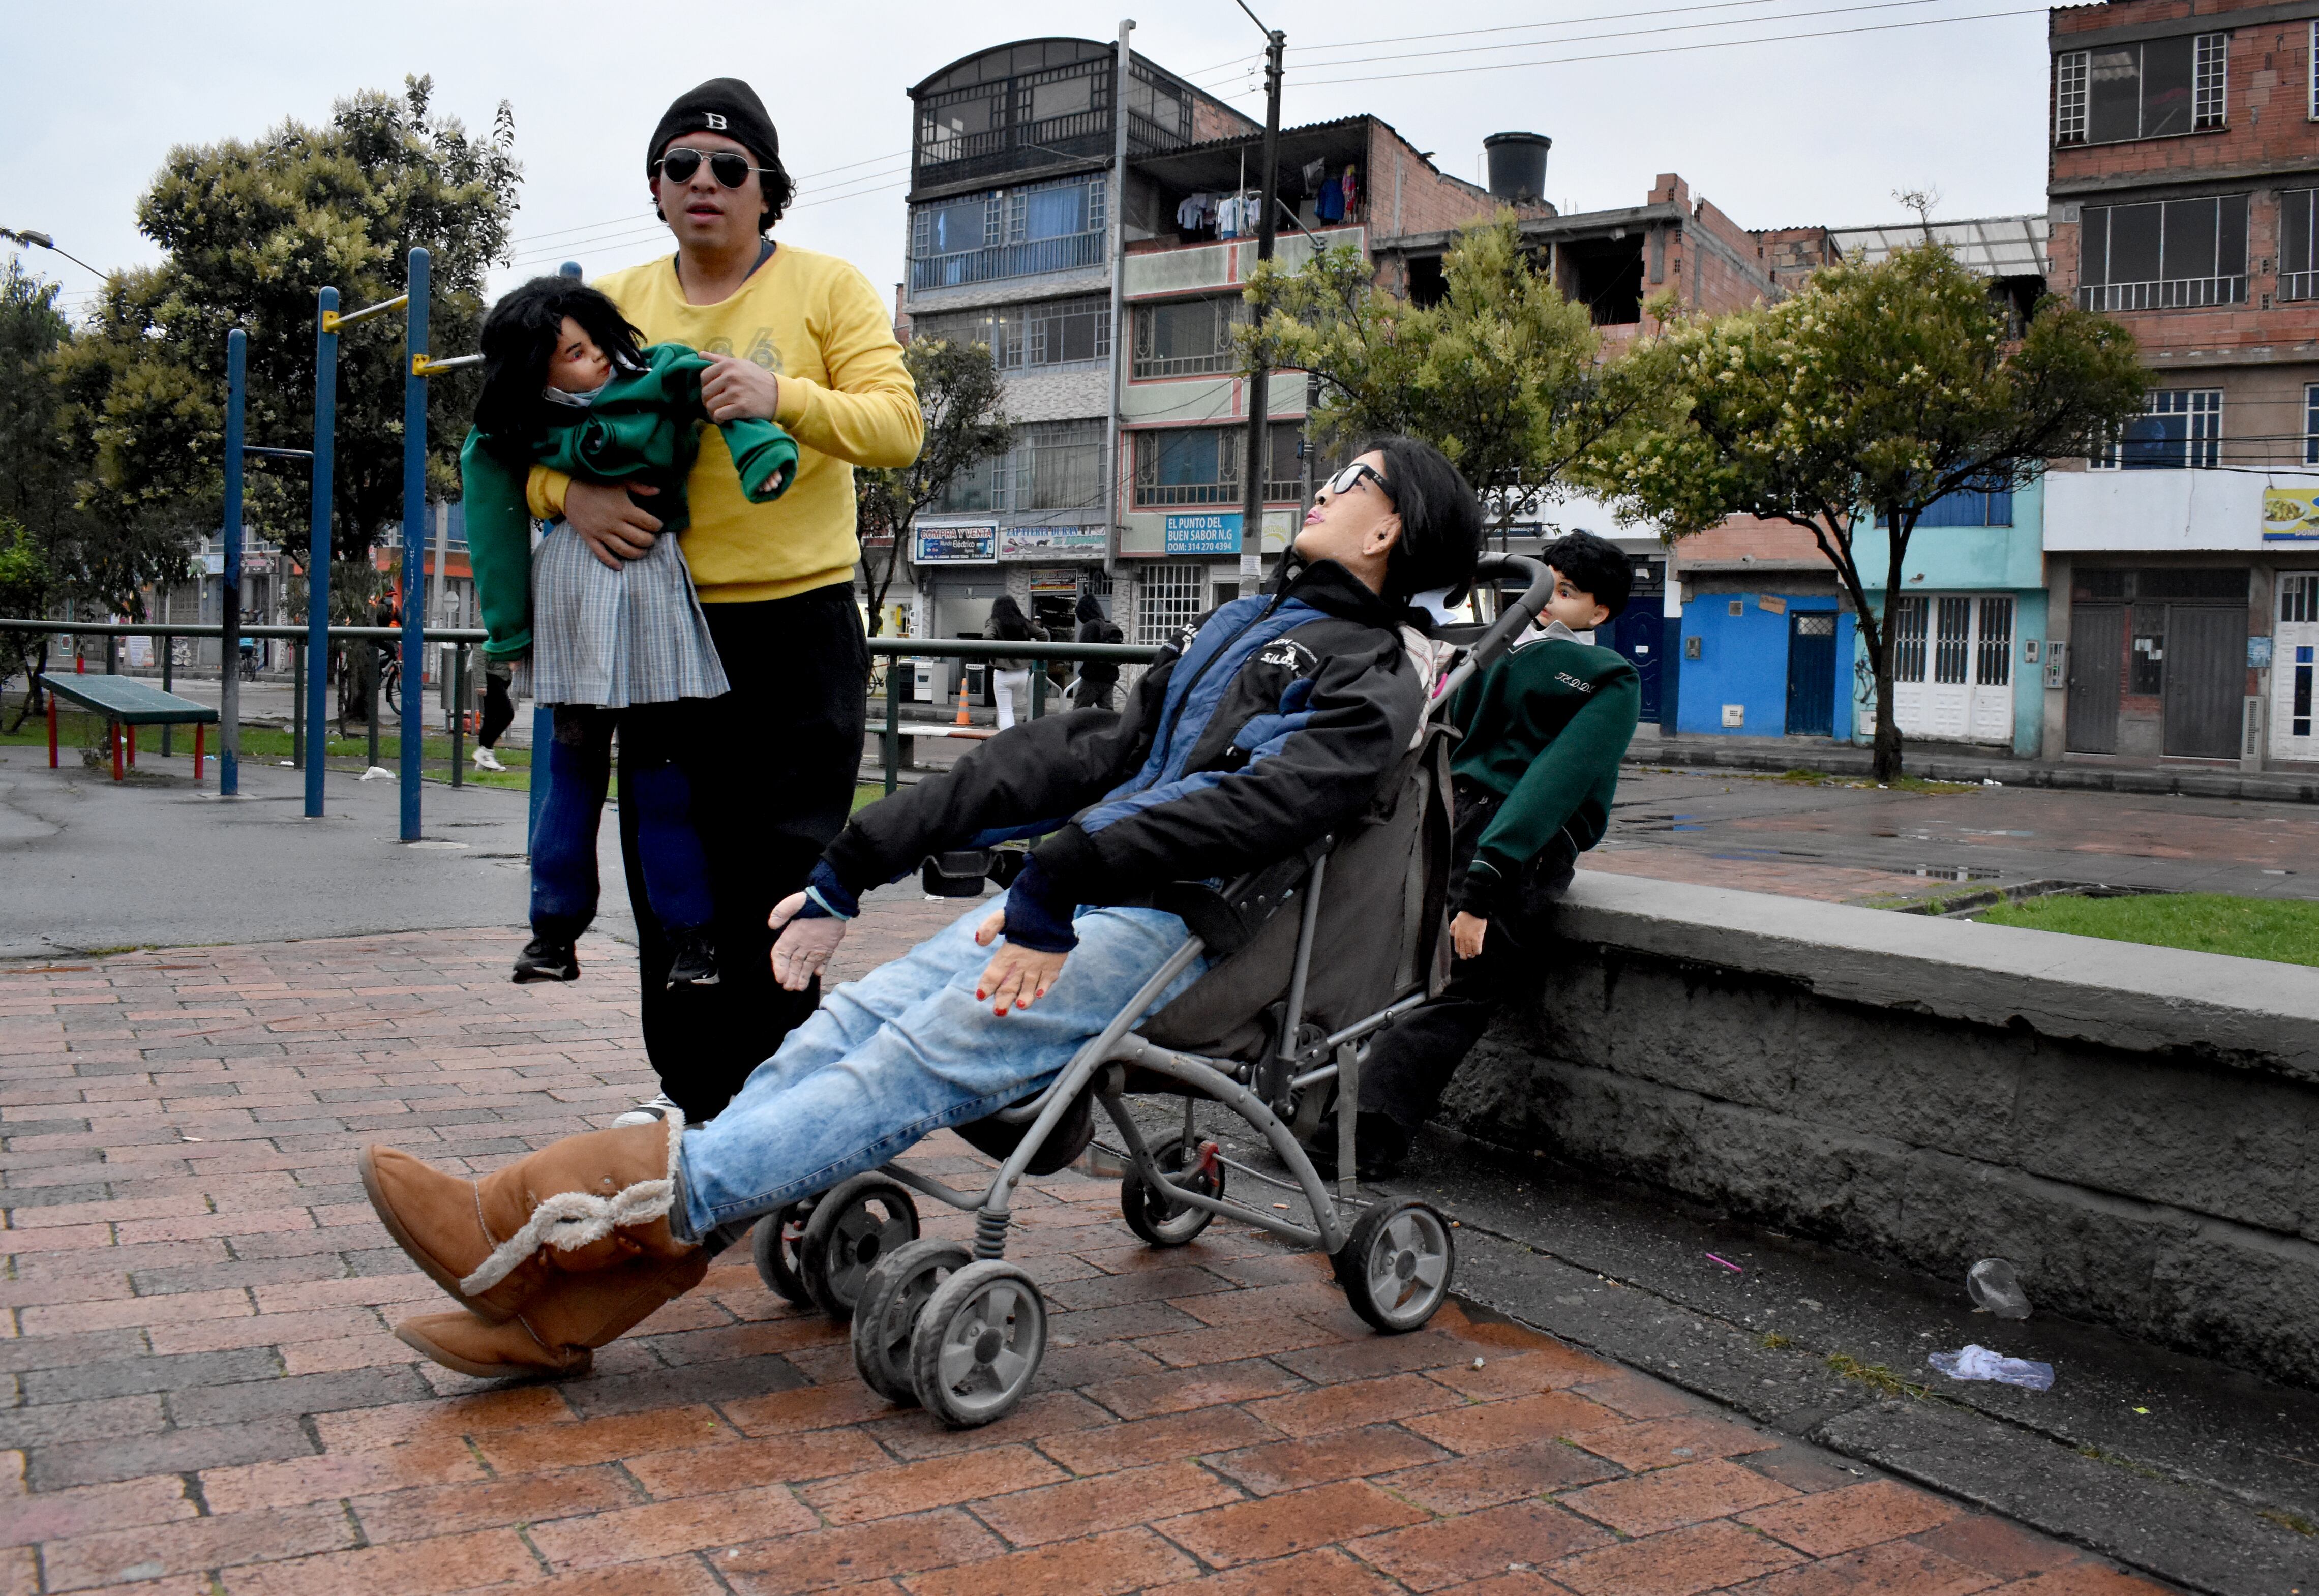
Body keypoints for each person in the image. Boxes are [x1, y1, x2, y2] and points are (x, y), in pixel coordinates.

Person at [359, 438, 1484, 1379]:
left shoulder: (1373, 674)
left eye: (1352, 479)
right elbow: (1082, 753)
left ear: (1389, 530)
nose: (1326, 488)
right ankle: (561, 1311)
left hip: (1176, 932)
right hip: (1083, 897)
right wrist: (864, 854)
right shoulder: (1243, 626)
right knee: (853, 1028)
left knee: (903, 1065)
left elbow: (1254, 809)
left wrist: (1061, 874)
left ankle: (527, 1217)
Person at [524, 79, 923, 1124]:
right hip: (657, 632)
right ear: (656, 191)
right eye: (680, 166)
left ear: (765, 191)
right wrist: (573, 490)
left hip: (798, 628)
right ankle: (692, 1098)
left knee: (785, 875)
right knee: (672, 875)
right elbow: (508, 449)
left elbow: (897, 428)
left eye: (729, 168)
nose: (704, 182)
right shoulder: (609, 304)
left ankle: (784, 1111)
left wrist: (779, 396)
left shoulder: (828, 288)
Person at [461, 278, 802, 988]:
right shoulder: (519, 423)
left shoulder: (659, 373)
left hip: (648, 585)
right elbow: (491, 507)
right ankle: (553, 931)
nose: (597, 364)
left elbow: (717, 388)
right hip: (575, 591)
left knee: (662, 779)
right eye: (576, 357)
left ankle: (690, 938)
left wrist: (759, 448)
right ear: (536, 373)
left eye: (593, 346)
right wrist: (506, 630)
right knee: (572, 772)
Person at [1311, 530, 1640, 1180]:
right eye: (1544, 587)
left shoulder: (1487, 654)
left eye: (1565, 593)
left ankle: (1314, 1109)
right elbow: (1554, 783)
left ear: (1599, 612)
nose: (1545, 601)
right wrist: (1488, 880)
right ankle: (1357, 1135)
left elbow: (1426, 733)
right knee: (1460, 988)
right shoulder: (1608, 676)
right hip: (1511, 845)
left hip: (1437, 818)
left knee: (1392, 972)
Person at [983, 594, 1046, 730]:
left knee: (1005, 711)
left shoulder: (994, 622)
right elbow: (1043, 635)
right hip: (1023, 673)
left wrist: (997, 652)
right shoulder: (1022, 622)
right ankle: (1006, 740)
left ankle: (1008, 742)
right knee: (1009, 709)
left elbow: (988, 636)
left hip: (1003, 672)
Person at [1072, 590, 1124, 710]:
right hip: (1109, 679)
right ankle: (1113, 729)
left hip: (1092, 678)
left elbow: (1083, 651)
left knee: (1078, 714)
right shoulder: (1107, 625)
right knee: (1107, 717)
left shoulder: (1090, 625)